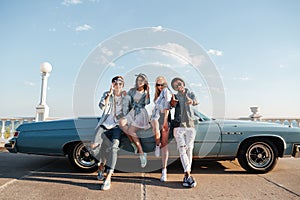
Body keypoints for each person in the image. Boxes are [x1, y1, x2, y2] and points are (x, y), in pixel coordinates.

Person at [90, 76, 131, 190]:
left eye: (120, 83)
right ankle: (101, 165)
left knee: (114, 147)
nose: (117, 85)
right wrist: (109, 94)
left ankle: (108, 178)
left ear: (122, 85)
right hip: (104, 124)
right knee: (94, 146)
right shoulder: (107, 94)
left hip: (117, 126)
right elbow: (102, 106)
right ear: (112, 84)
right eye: (115, 83)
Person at [171, 77, 199, 188]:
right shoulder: (175, 96)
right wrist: (172, 103)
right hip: (178, 127)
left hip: (190, 126)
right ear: (175, 88)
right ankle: (188, 174)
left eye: (179, 84)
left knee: (189, 149)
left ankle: (187, 176)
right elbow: (171, 105)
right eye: (176, 86)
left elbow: (196, 102)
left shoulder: (191, 93)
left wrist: (191, 101)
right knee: (182, 150)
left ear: (183, 83)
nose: (178, 86)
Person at [119, 73, 150, 168]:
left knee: (131, 130)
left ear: (145, 82)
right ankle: (134, 144)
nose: (139, 82)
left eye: (142, 80)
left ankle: (141, 152)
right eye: (138, 80)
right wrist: (124, 95)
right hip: (132, 111)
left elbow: (147, 102)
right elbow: (127, 101)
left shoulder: (145, 92)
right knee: (121, 123)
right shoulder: (132, 90)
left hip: (141, 112)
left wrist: (148, 91)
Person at [150, 76, 172, 182]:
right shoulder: (157, 96)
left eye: (161, 84)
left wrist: (165, 122)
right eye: (158, 85)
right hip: (156, 118)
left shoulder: (167, 92)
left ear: (165, 84)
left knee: (165, 146)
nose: (160, 87)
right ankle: (157, 144)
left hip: (164, 118)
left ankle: (164, 170)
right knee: (154, 122)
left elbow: (167, 108)